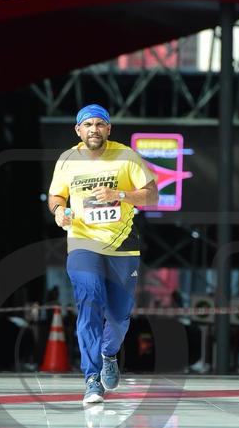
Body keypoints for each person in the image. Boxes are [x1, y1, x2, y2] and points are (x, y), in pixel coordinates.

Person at [48, 103, 158, 404]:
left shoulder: (126, 157)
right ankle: (92, 379)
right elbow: (56, 195)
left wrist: (119, 194)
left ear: (108, 129)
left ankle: (109, 353)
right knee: (90, 301)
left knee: (119, 317)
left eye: (99, 124)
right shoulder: (67, 159)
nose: (93, 129)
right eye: (88, 125)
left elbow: (152, 195)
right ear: (78, 130)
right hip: (83, 241)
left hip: (122, 245)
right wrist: (58, 211)